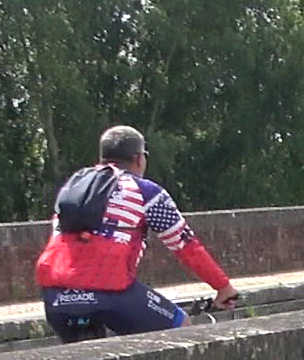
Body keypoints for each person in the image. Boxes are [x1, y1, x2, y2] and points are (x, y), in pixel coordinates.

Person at [37, 125, 241, 341]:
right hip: (111, 291)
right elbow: (186, 246)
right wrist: (223, 287)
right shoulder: (146, 192)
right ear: (139, 159)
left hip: (56, 295)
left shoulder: (75, 186)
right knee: (180, 328)